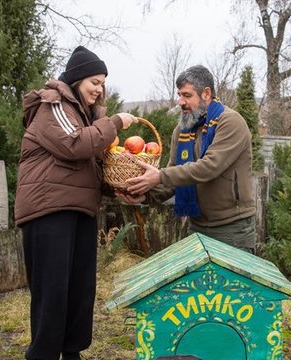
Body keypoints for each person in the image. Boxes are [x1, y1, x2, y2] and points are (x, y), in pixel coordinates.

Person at [14, 45, 137, 360]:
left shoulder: (83, 115)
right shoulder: (53, 104)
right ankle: (41, 355)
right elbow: (75, 146)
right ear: (77, 78)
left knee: (80, 292)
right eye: (94, 81)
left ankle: (71, 354)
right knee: (52, 293)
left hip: (80, 210)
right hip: (49, 211)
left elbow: (86, 167)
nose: (99, 89)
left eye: (102, 83)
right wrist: (116, 123)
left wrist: (115, 190)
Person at [116, 65, 257, 253]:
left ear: (206, 93)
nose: (180, 102)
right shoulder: (182, 129)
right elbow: (174, 177)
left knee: (231, 283)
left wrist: (159, 176)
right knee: (196, 282)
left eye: (187, 95)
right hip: (196, 225)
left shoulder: (230, 122)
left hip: (231, 228)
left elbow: (209, 167)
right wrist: (144, 195)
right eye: (179, 95)